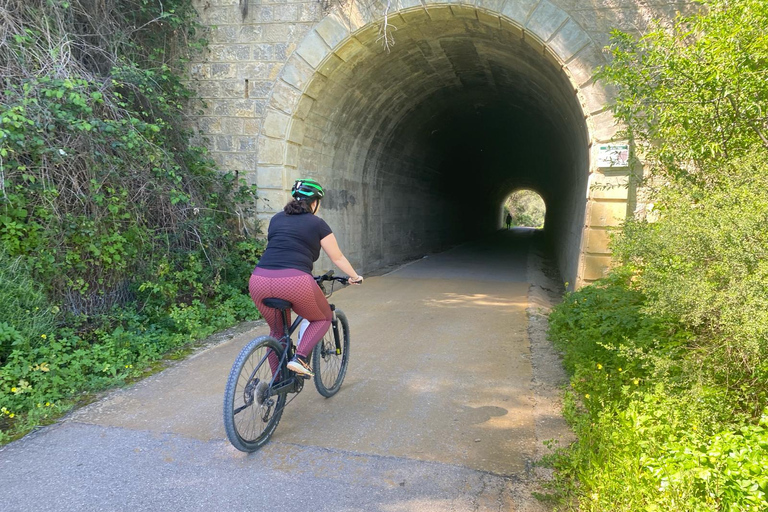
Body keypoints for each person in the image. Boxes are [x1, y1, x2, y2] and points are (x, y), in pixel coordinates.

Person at [249, 178, 363, 377]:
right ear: (314, 203)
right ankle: (300, 358)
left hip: (259, 280)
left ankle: (277, 385)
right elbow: (337, 257)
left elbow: (282, 248)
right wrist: (354, 276)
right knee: (323, 317)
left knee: (277, 332)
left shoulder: (276, 219)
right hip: (295, 281)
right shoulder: (317, 224)